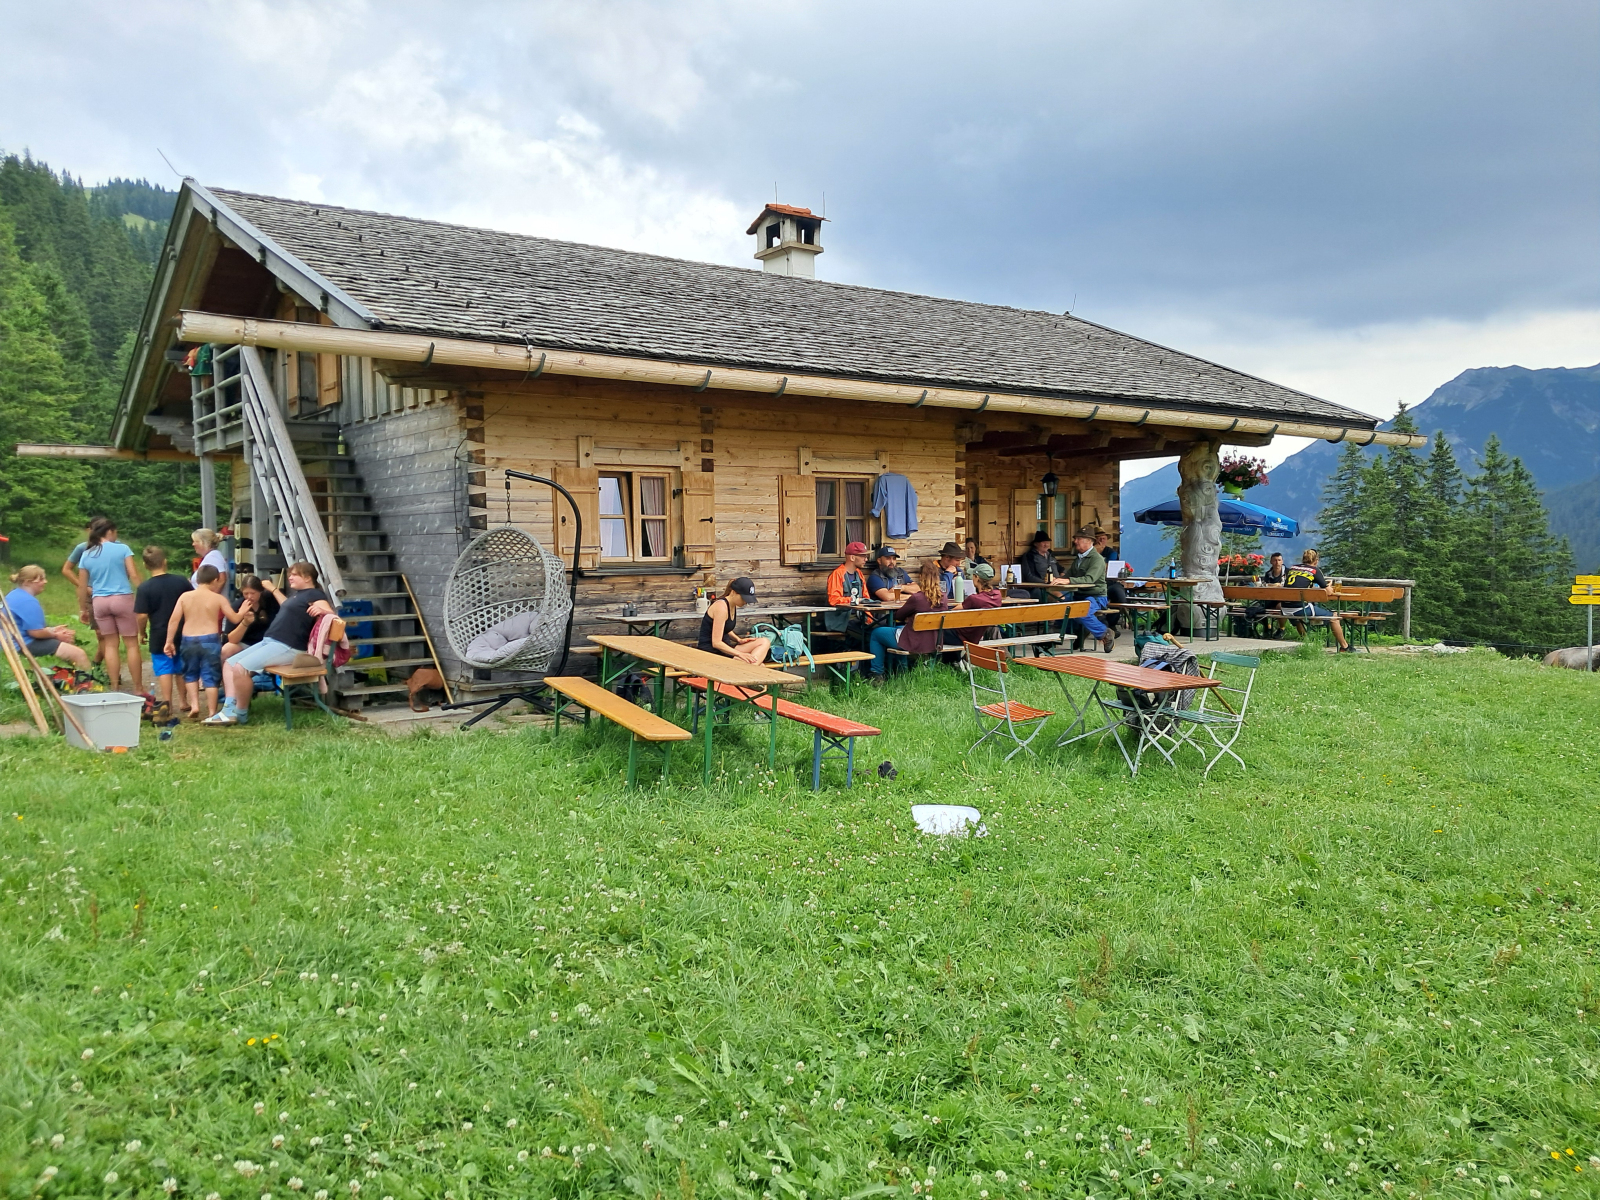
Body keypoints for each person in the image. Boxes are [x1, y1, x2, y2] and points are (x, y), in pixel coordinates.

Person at [208, 561, 334, 725]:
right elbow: (286, 604)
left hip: (288, 646)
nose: (290, 577)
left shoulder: (315, 595)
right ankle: (228, 709)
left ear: (307, 578)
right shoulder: (298, 595)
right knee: (229, 664)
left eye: (294, 574)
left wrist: (324, 611)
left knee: (241, 668)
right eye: (290, 574)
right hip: (271, 642)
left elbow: (333, 616)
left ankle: (240, 714)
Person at [167, 565, 250, 719]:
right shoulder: (218, 598)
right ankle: (212, 711)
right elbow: (234, 618)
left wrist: (169, 641)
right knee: (210, 675)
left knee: (190, 673)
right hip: (210, 639)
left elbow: (174, 620)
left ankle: (194, 705)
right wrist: (242, 611)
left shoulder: (185, 596)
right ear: (215, 580)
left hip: (189, 639)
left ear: (197, 579)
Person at [77, 517, 143, 693]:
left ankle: (114, 686)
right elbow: (133, 575)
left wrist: (83, 609)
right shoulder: (122, 549)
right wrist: (144, 592)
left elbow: (82, 586)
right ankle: (138, 688)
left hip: (99, 601)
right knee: (131, 644)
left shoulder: (87, 554)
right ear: (110, 531)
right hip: (122, 598)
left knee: (110, 644)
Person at [133, 546, 193, 720]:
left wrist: (141, 632)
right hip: (183, 630)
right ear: (165, 562)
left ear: (145, 565)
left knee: (164, 668)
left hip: (159, 633)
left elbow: (142, 615)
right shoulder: (181, 581)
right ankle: (184, 701)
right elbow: (191, 601)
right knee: (181, 667)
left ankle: (167, 703)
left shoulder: (145, 588)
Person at [866, 558, 950, 681]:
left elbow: (898, 616)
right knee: (900, 629)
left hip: (914, 641)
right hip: (934, 641)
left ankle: (877, 673)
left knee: (876, 633)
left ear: (921, 577)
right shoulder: (944, 598)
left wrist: (908, 615)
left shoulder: (917, 598)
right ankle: (902, 672)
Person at [4, 565, 91, 670]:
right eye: (41, 579)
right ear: (27, 582)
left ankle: (69, 673)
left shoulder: (14, 594)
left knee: (65, 643)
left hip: (9, 641)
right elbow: (36, 633)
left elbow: (25, 627)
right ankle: (87, 678)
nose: (45, 582)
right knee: (79, 654)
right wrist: (56, 635)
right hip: (21, 644)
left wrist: (53, 630)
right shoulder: (28, 601)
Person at [1283, 549, 1354, 652]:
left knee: (1298, 617)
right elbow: (1328, 592)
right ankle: (1345, 647)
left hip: (1285, 608)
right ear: (1316, 561)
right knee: (1334, 617)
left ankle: (1306, 642)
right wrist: (1329, 585)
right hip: (1299, 608)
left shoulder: (1293, 568)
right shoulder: (1314, 570)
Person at [60, 517, 107, 668]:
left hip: (110, 593)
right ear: (89, 530)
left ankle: (99, 663)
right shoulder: (82, 548)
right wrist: (83, 586)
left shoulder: (115, 547)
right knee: (101, 634)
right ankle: (100, 665)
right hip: (91, 595)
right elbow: (67, 569)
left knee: (109, 634)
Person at [697, 577, 772, 664]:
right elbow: (716, 643)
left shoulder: (731, 605)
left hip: (725, 649)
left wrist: (738, 639)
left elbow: (724, 627)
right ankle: (751, 666)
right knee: (759, 666)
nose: (745, 602)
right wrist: (740, 654)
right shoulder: (721, 607)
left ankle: (752, 665)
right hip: (712, 652)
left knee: (764, 641)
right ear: (733, 592)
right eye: (744, 598)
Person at [1063, 526, 1115, 653]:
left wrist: (1068, 581)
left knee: (1082, 612)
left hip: (1096, 596)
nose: (1075, 541)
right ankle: (1071, 635)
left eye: (1079, 539)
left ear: (1089, 541)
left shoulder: (1097, 559)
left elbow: (1090, 579)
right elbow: (1068, 576)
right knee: (1058, 607)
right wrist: (1056, 580)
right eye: (1076, 538)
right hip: (1079, 595)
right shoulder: (1079, 558)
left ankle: (1105, 633)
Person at [222, 574, 281, 664]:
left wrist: (274, 589)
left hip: (268, 642)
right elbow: (231, 639)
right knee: (226, 650)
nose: (249, 597)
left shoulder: (270, 599)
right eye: (246, 593)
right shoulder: (237, 606)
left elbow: (287, 606)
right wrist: (245, 623)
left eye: (253, 593)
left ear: (260, 591)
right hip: (247, 642)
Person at [824, 541, 871, 635]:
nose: (866, 559)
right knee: (869, 635)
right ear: (852, 557)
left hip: (859, 618)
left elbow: (866, 598)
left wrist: (869, 619)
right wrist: (855, 600)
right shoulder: (837, 574)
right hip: (842, 621)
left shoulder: (859, 574)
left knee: (879, 629)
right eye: (863, 556)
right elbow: (834, 600)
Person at [956, 562, 1005, 645]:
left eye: (973, 576)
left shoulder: (974, 599)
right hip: (982, 631)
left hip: (967, 636)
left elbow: (952, 612)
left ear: (977, 577)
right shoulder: (998, 595)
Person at [1094, 527, 1128, 632]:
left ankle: (1111, 624)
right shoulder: (1088, 553)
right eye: (1099, 538)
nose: (1101, 541)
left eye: (1104, 538)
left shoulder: (1111, 552)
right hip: (1095, 583)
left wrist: (1097, 555)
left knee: (1120, 598)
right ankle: (1103, 625)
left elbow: (1109, 566)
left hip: (1111, 582)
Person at [1018, 530, 1060, 600]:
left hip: (1057, 586)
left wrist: (1061, 578)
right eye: (1043, 542)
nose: (1046, 545)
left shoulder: (1051, 555)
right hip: (1039, 588)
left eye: (1048, 542)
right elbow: (1029, 576)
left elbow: (1060, 569)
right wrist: (1046, 582)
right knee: (1059, 597)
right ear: (1036, 544)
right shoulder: (1029, 556)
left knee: (1073, 595)